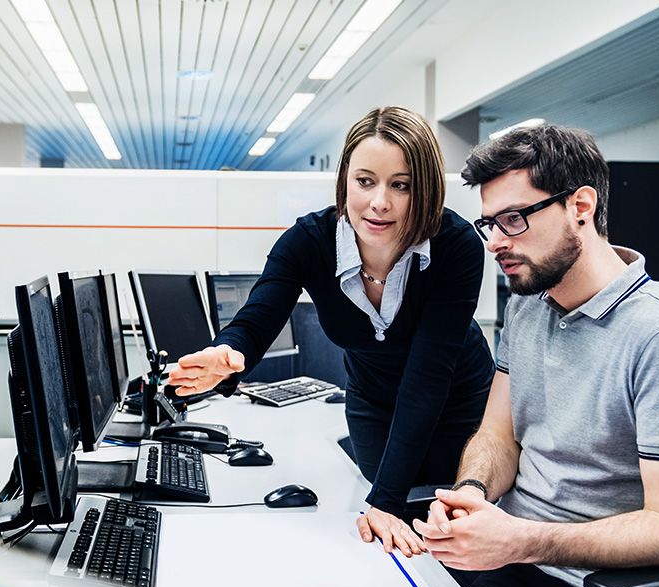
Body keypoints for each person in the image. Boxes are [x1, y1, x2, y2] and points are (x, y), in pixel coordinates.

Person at [412, 124, 659, 587]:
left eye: (513, 219)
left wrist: (524, 542)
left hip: (587, 583)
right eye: (489, 224)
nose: (494, 242)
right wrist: (472, 493)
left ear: (580, 207)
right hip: (506, 558)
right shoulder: (527, 303)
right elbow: (498, 435)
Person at [168, 106, 495, 557]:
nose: (379, 202)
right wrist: (231, 352)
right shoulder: (310, 240)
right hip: (373, 400)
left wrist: (386, 501)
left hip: (459, 400)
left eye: (401, 185)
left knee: (446, 519)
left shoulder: (455, 246)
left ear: (427, 190)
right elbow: (260, 313)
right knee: (383, 515)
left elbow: (429, 374)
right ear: (344, 180)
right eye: (365, 181)